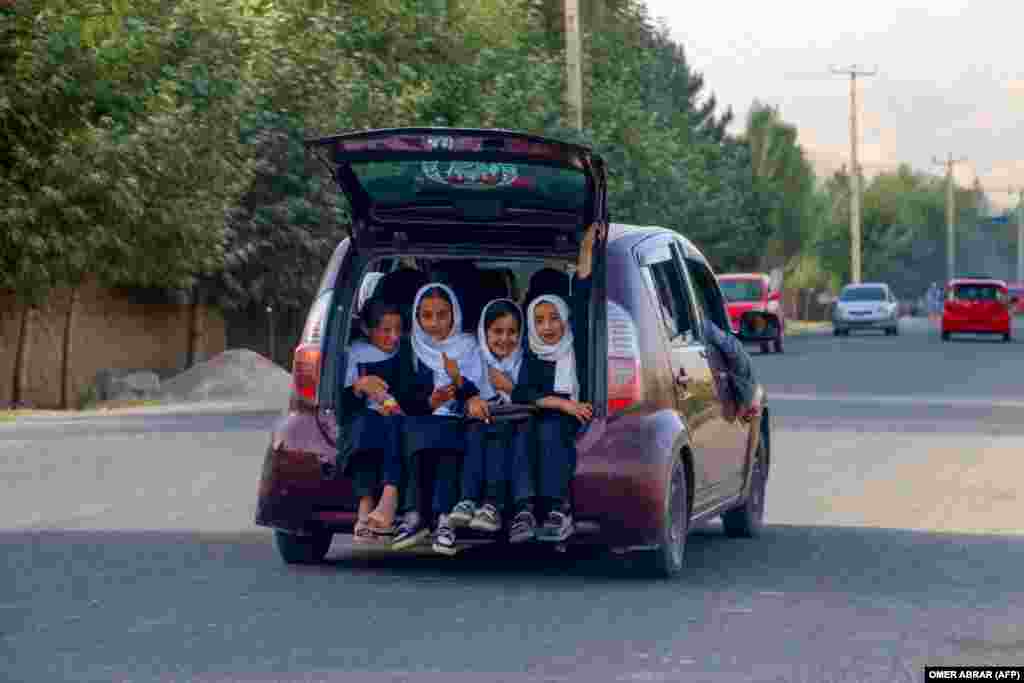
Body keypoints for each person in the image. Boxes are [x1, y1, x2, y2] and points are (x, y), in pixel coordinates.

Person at [511, 224, 601, 543]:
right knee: (524, 431)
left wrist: (585, 250)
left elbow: (583, 288)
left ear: (565, 315)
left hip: (575, 417)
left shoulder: (578, 342)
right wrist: (562, 403)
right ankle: (524, 510)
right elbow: (523, 392)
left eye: (554, 318)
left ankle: (556, 509)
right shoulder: (532, 349)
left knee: (549, 430)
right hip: (554, 410)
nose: (547, 326)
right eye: (539, 319)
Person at [391, 283, 491, 555]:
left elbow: (479, 390)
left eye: (442, 315)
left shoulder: (468, 346)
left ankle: (442, 519)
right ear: (416, 316)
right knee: (417, 433)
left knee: (445, 439)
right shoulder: (409, 347)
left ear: (454, 315)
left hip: (455, 418)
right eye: (426, 316)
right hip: (420, 418)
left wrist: (456, 393)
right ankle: (415, 517)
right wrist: (429, 402)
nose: (434, 323)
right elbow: (402, 393)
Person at [446, 299, 533, 542]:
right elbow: (460, 391)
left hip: (515, 420)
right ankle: (467, 500)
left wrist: (508, 387)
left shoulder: (526, 359)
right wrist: (471, 399)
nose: (505, 339)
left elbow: (534, 395)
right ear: (484, 333)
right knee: (476, 432)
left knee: (499, 433)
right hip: (481, 421)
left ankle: (492, 505)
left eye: (512, 332)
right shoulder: (475, 360)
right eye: (497, 332)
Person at [335, 296, 406, 543]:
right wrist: (359, 386)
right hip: (365, 417)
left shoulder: (406, 352)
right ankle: (365, 505)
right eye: (386, 330)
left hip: (399, 416)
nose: (394, 337)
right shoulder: (355, 354)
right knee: (363, 428)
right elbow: (343, 404)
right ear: (367, 329)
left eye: (398, 329)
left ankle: (386, 503)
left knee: (393, 427)